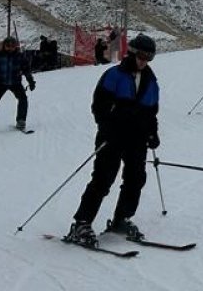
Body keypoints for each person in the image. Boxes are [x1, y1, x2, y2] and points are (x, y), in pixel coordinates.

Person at [65, 34, 160, 247]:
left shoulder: (151, 81)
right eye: (142, 56)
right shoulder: (114, 75)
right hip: (113, 137)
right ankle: (82, 222)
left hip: (137, 139)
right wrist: (108, 129)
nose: (145, 61)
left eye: (150, 57)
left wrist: (152, 134)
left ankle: (121, 218)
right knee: (103, 179)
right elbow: (99, 107)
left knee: (136, 178)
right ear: (132, 53)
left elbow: (151, 112)